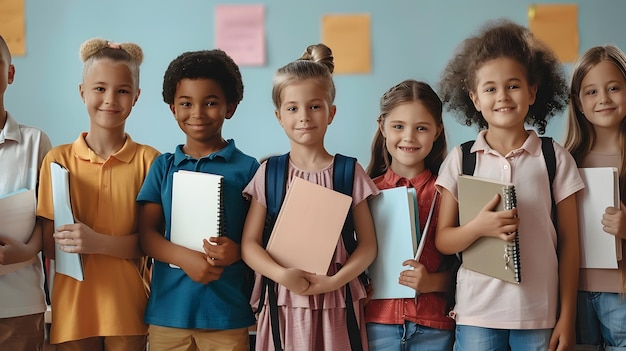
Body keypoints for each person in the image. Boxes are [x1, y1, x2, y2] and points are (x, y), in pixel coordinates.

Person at [435, 19, 584, 351]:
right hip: (476, 315)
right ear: (474, 98)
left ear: (532, 91)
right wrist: (479, 227)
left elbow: (571, 246)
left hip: (539, 317)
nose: (502, 96)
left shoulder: (555, 158)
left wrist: (567, 317)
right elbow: (444, 240)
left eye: (513, 85)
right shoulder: (462, 159)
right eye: (489, 89)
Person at [240, 43, 379, 350]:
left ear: (331, 113)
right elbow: (249, 245)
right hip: (283, 301)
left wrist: (335, 281)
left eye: (314, 106)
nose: (304, 116)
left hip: (337, 301)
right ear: (279, 116)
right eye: (292, 108)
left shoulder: (348, 172)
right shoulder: (269, 173)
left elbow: (368, 246)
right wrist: (281, 275)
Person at [37, 38, 159, 350]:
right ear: (82, 92)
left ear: (136, 97)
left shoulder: (151, 161)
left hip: (129, 309)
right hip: (74, 310)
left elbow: (153, 244)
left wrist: (97, 242)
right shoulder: (58, 160)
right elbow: (49, 245)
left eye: (122, 90)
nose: (110, 99)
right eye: (100, 88)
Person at [136, 49, 259, 351]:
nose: (198, 113)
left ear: (231, 107)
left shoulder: (250, 169)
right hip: (168, 313)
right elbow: (146, 236)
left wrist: (238, 252)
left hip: (226, 314)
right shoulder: (163, 167)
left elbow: (263, 238)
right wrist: (184, 258)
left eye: (211, 103)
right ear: (172, 109)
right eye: (186, 103)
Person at [364, 79, 454, 350]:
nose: (409, 137)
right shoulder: (365, 193)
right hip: (375, 324)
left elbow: (471, 270)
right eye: (398, 126)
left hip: (434, 326)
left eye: (422, 128)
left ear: (437, 130)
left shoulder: (449, 192)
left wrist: (432, 282)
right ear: (382, 126)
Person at [563, 44, 626, 351]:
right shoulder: (565, 161)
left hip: (621, 296)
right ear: (578, 102)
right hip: (574, 294)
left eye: (613, 88)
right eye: (591, 92)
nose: (603, 99)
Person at [0, 34, 52, 351]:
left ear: (10, 74)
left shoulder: (35, 143)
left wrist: (28, 250)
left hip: (19, 306)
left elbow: (50, 220)